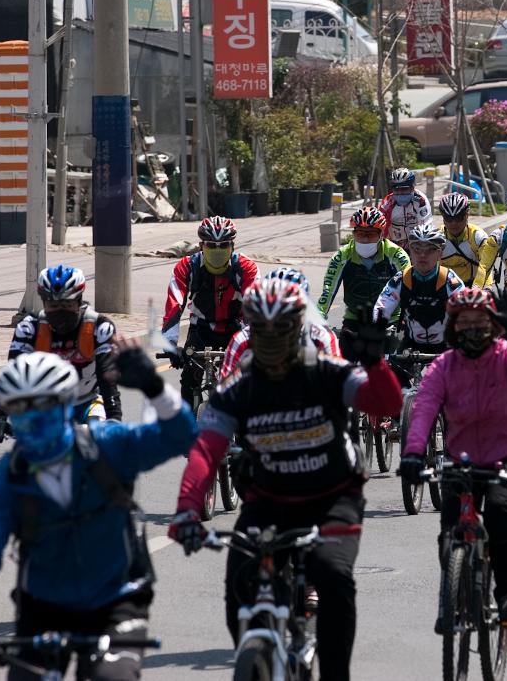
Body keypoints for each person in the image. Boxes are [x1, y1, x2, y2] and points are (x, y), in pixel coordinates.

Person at [169, 279, 402, 680]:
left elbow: (388, 404)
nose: (272, 339)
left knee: (331, 574)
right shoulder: (239, 390)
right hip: (269, 501)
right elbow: (206, 450)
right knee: (238, 588)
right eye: (263, 330)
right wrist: (187, 510)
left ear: (299, 328)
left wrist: (375, 365)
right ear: (251, 331)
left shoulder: (328, 372)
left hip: (333, 498)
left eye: (282, 330)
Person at [0, 346, 196, 681]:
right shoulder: (9, 477)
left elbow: (182, 437)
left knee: (111, 677)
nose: (30, 420)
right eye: (19, 409)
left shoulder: (107, 445)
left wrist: (155, 388)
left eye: (41, 407)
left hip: (116, 600)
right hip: (43, 606)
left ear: (64, 406)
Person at [400, 286, 507, 625]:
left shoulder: (506, 353)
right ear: (452, 327)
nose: (472, 328)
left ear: (492, 324)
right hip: (460, 461)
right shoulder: (442, 366)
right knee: (449, 529)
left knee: (498, 511)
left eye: (480, 321)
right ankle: (450, 595)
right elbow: (423, 410)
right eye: (464, 322)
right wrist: (412, 453)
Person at [162, 217, 259, 407]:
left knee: (247, 381)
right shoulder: (186, 267)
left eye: (223, 245)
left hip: (236, 329)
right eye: (211, 245)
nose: (217, 251)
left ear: (232, 246)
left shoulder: (247, 268)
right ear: (201, 245)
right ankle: (189, 433)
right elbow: (174, 305)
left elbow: (255, 308)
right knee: (189, 381)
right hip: (201, 329)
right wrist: (170, 345)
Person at [9, 264, 122, 424]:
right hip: (46, 409)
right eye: (53, 306)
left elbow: (107, 375)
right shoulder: (29, 327)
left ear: (79, 301)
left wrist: (114, 418)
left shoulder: (99, 326)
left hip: (88, 403)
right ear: (44, 303)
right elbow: (14, 373)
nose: (60, 312)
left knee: (102, 440)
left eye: (67, 305)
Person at [319, 207, 411, 361]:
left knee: (398, 366)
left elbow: (409, 287)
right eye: (360, 233)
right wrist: (318, 319)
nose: (365, 239)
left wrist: (408, 317)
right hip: (355, 319)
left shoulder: (396, 254)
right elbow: (328, 291)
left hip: (390, 320)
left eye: (371, 234)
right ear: (353, 234)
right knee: (344, 369)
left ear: (382, 234)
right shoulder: (342, 255)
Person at [220, 267, 340, 379]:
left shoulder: (322, 337)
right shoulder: (242, 339)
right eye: (269, 313)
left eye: (286, 319)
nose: (274, 331)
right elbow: (223, 390)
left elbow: (337, 385)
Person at [374, 223, 465, 359]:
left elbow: (465, 311)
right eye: (417, 249)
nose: (422, 255)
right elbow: (382, 307)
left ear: (439, 253)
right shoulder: (401, 279)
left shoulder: (449, 281)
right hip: (411, 344)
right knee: (393, 376)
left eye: (429, 250)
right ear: (410, 250)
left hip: (445, 345)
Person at [437, 192, 489, 287]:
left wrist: (480, 289)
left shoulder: (478, 237)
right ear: (443, 218)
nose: (454, 223)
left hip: (471, 286)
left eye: (459, 218)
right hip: (444, 288)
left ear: (467, 215)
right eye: (448, 218)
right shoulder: (437, 238)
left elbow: (486, 267)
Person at [379, 167, 432, 252]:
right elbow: (380, 227)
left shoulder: (420, 201)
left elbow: (425, 226)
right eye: (396, 189)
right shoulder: (387, 203)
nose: (400, 193)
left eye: (404, 189)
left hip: (416, 243)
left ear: (412, 188)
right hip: (394, 244)